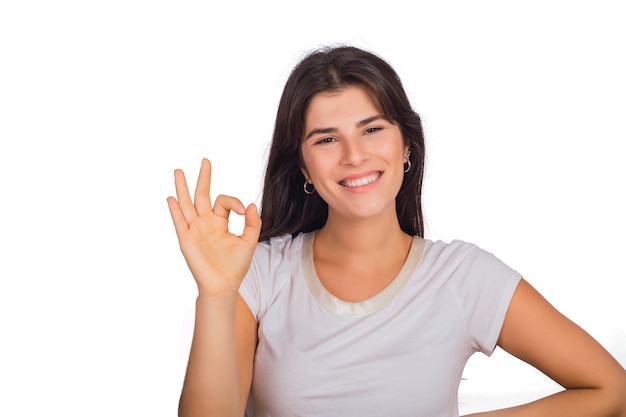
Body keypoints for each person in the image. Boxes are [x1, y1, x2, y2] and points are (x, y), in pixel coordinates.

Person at [167, 46, 626, 417]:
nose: (354, 155)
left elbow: (611, 389)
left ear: (405, 144)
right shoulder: (260, 273)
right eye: (326, 139)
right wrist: (216, 294)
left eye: (372, 129)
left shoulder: (463, 277)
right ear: (303, 166)